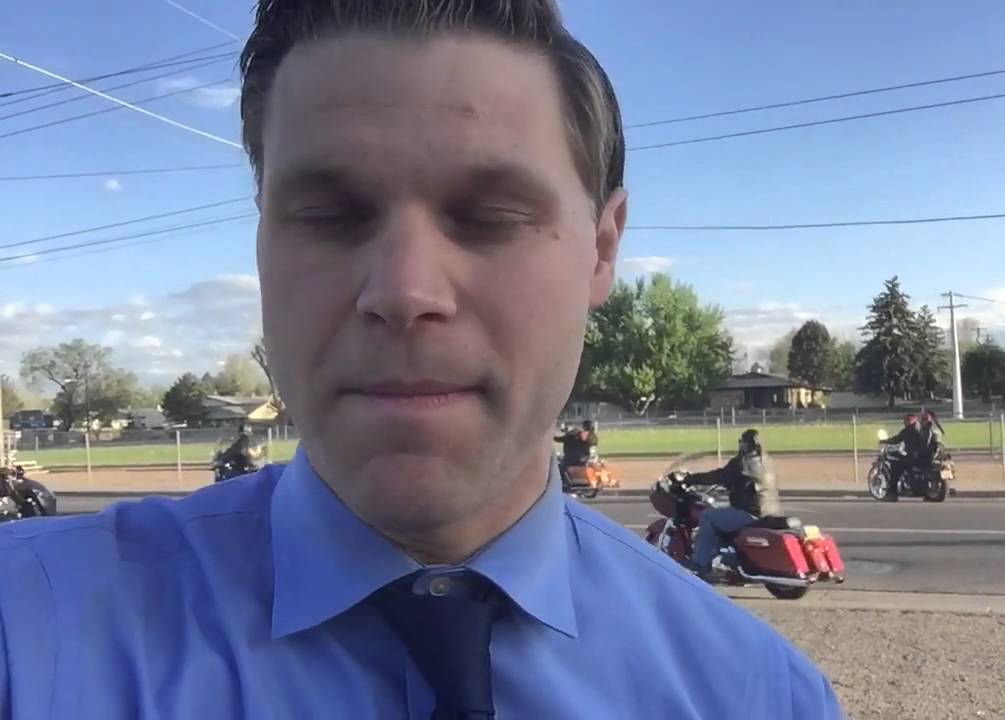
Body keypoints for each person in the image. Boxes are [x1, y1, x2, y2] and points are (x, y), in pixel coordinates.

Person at [0, 2, 841, 717]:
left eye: (490, 216)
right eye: (330, 214)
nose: (404, 291)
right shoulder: (27, 638)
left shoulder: (756, 696)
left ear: (601, 250)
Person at [682, 429, 783, 577]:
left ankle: (699, 564)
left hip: (750, 513)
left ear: (746, 444)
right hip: (770, 512)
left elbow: (719, 475)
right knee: (722, 517)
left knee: (708, 517)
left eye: (741, 442)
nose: (740, 445)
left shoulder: (742, 463)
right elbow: (750, 483)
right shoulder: (767, 461)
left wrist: (690, 479)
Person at [880, 413, 928, 488]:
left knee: (895, 468)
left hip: (912, 456)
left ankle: (892, 493)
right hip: (922, 456)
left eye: (906, 421)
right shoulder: (922, 429)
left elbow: (896, 439)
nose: (905, 422)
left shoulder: (909, 430)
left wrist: (884, 441)